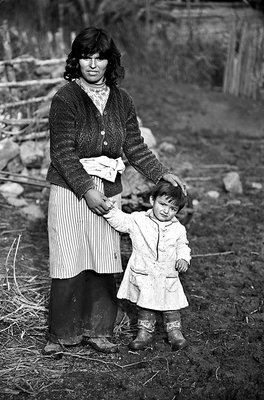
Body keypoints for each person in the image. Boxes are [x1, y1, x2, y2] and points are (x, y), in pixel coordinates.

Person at [44, 26, 186, 355]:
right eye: (85, 57)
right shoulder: (66, 99)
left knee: (103, 257)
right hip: (70, 188)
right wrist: (86, 191)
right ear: (75, 61)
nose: (92, 64)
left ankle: (97, 331)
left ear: (111, 61)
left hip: (109, 189)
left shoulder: (122, 100)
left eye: (100, 58)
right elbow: (62, 153)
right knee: (69, 258)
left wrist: (162, 173)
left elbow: (134, 146)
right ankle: (60, 335)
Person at [104, 180, 191, 351]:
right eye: (163, 204)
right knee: (145, 302)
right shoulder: (139, 220)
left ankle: (175, 333)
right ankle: (144, 333)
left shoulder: (178, 229)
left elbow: (183, 245)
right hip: (145, 271)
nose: (166, 211)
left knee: (171, 304)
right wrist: (110, 210)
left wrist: (183, 258)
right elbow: (121, 221)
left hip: (167, 273)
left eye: (173, 209)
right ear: (152, 200)